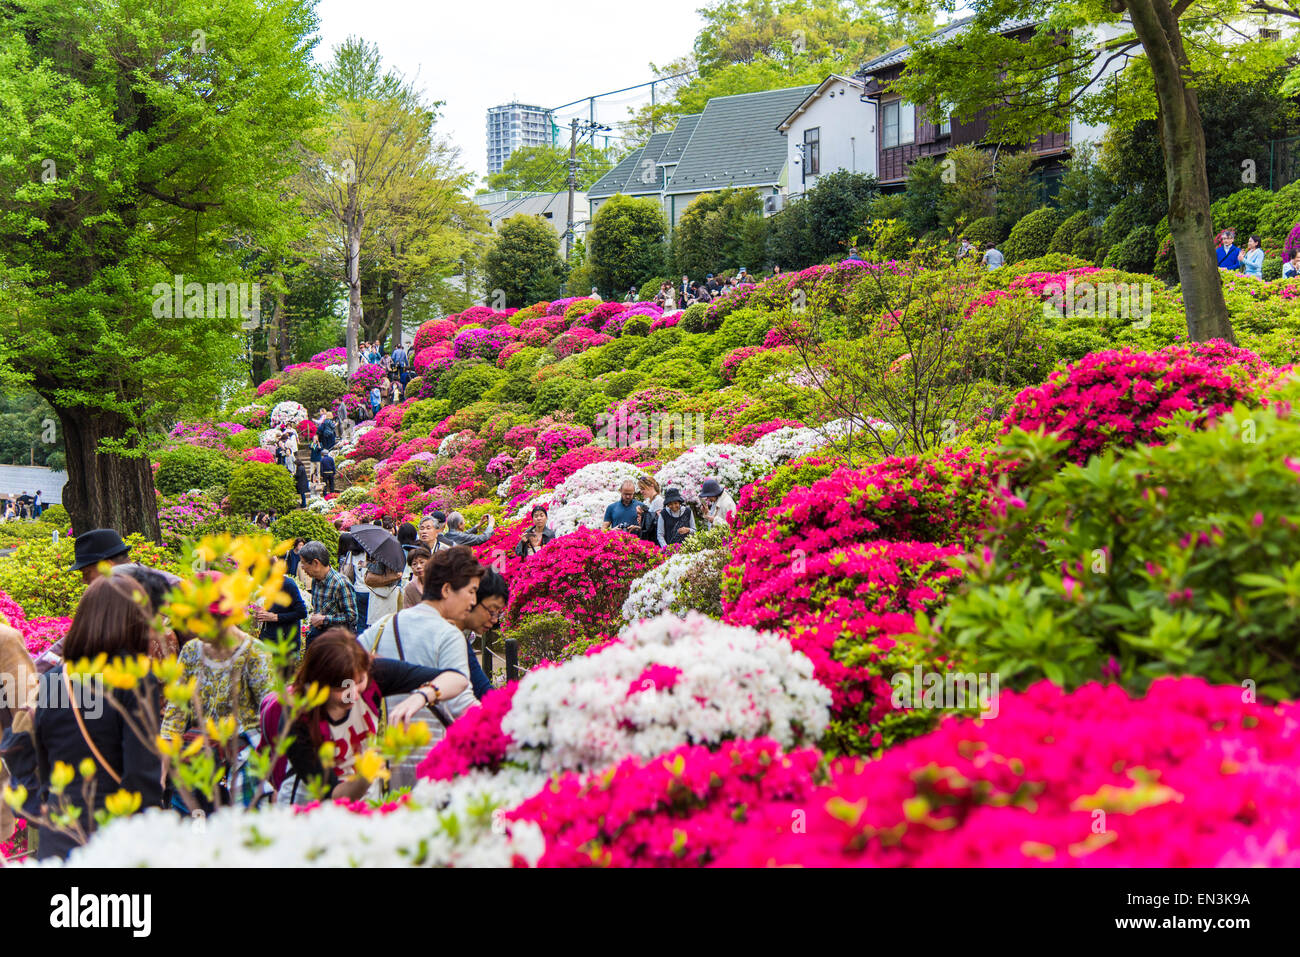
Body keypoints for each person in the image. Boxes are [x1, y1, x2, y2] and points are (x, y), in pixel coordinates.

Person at [30, 576, 163, 859]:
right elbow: (141, 773)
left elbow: (44, 762)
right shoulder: (135, 677)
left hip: (60, 834)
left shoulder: (54, 680)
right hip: (112, 839)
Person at [265, 630, 467, 805]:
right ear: (318, 682)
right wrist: (369, 770)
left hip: (364, 798)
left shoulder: (375, 674)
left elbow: (458, 679)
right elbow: (335, 797)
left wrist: (422, 696)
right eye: (341, 687)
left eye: (359, 681)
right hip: (312, 807)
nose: (352, 694)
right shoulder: (297, 719)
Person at [356, 547, 483, 789]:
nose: (473, 601)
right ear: (447, 590)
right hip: (431, 758)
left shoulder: (384, 625)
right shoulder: (449, 635)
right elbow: (461, 703)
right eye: (471, 591)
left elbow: (346, 669)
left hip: (383, 757)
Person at [160, 618, 277, 810]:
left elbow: (271, 718)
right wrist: (162, 773)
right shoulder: (191, 650)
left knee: (241, 833)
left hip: (244, 762)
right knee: (195, 830)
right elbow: (174, 715)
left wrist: (276, 779)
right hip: (199, 758)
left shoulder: (255, 652)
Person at [444, 568, 507, 701]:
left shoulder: (459, 638)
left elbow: (483, 691)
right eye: (492, 610)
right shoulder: (446, 637)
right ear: (471, 597)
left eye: (498, 613)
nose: (495, 620)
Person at [249, 557, 308, 671]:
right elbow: (278, 608)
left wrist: (275, 617)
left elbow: (301, 612)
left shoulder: (288, 584)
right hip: (268, 639)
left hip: (285, 644)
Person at [299, 540, 358, 646]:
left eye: (303, 563)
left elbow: (352, 616)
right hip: (319, 637)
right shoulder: (315, 580)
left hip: (337, 643)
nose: (302, 567)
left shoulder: (340, 583)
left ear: (316, 563)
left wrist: (324, 619)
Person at [636, 476, 663, 543]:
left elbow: (657, 523)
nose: (641, 492)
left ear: (651, 486)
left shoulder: (658, 500)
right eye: (640, 489)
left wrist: (644, 516)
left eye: (643, 488)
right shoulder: (647, 501)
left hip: (655, 539)